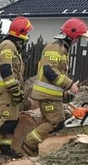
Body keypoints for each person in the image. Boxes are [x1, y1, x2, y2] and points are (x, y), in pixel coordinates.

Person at [22, 18, 88, 156]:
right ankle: (28, 143)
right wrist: (68, 83)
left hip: (52, 95)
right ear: (71, 35)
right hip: (47, 96)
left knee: (49, 122)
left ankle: (38, 148)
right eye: (77, 38)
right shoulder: (55, 47)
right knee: (56, 122)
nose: (77, 41)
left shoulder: (62, 49)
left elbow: (56, 75)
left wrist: (66, 92)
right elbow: (49, 71)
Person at [0, 16, 33, 157]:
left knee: (14, 120)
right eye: (27, 33)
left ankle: (5, 147)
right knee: (8, 119)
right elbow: (6, 70)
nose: (27, 37)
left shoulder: (13, 47)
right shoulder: (7, 46)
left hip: (10, 90)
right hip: (6, 90)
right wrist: (14, 89)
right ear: (21, 33)